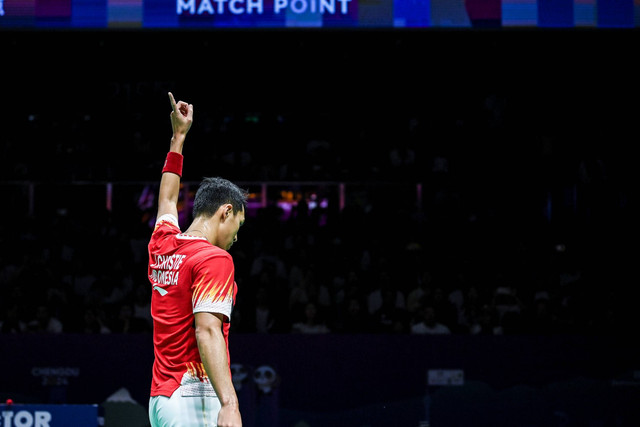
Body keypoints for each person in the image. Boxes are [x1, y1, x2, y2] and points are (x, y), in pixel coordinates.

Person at [147, 93, 247, 427]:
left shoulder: (163, 242)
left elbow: (167, 199)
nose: (236, 235)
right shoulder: (214, 259)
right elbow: (207, 330)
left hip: (161, 399)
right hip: (194, 398)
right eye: (238, 225)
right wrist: (229, 403)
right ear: (226, 212)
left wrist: (178, 138)